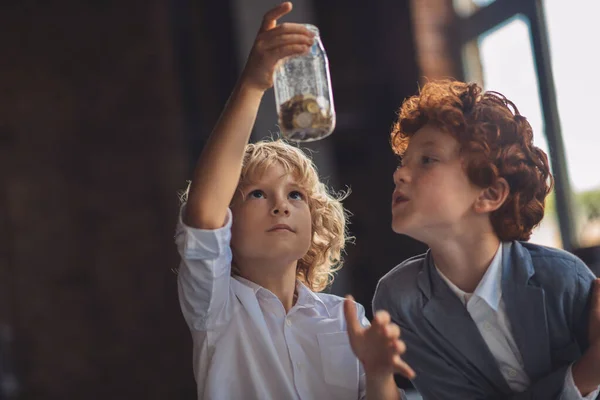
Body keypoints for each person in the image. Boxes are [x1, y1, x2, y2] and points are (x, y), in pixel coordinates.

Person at [174, 3, 414, 399]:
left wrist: (379, 373)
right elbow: (203, 213)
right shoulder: (216, 307)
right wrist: (252, 83)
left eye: (296, 195)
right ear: (226, 223)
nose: (281, 205)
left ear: (316, 221)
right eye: (256, 193)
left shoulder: (345, 318)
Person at [372, 80, 600, 399]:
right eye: (402, 162)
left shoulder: (565, 280)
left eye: (427, 160)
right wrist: (585, 373)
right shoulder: (400, 299)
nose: (399, 174)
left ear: (490, 194)